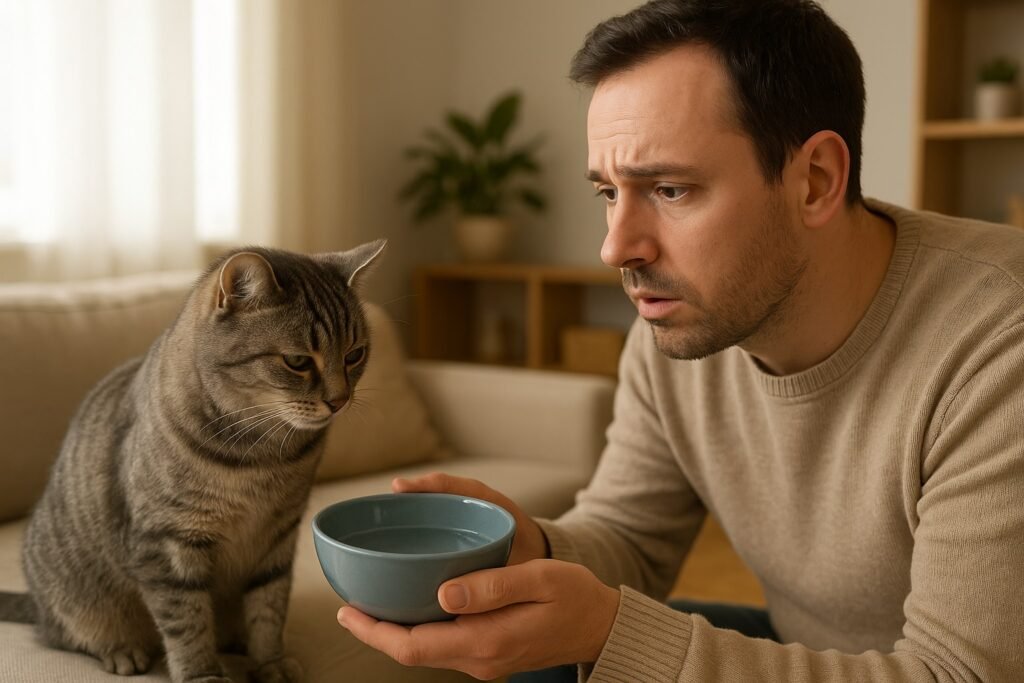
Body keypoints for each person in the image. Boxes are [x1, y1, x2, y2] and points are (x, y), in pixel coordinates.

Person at [338, 1, 1024, 680]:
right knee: (536, 648)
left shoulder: (997, 340)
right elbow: (631, 538)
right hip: (811, 651)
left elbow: (962, 674)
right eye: (608, 192)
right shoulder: (684, 318)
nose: (616, 248)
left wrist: (612, 634)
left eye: (668, 189)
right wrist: (536, 545)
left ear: (814, 181)